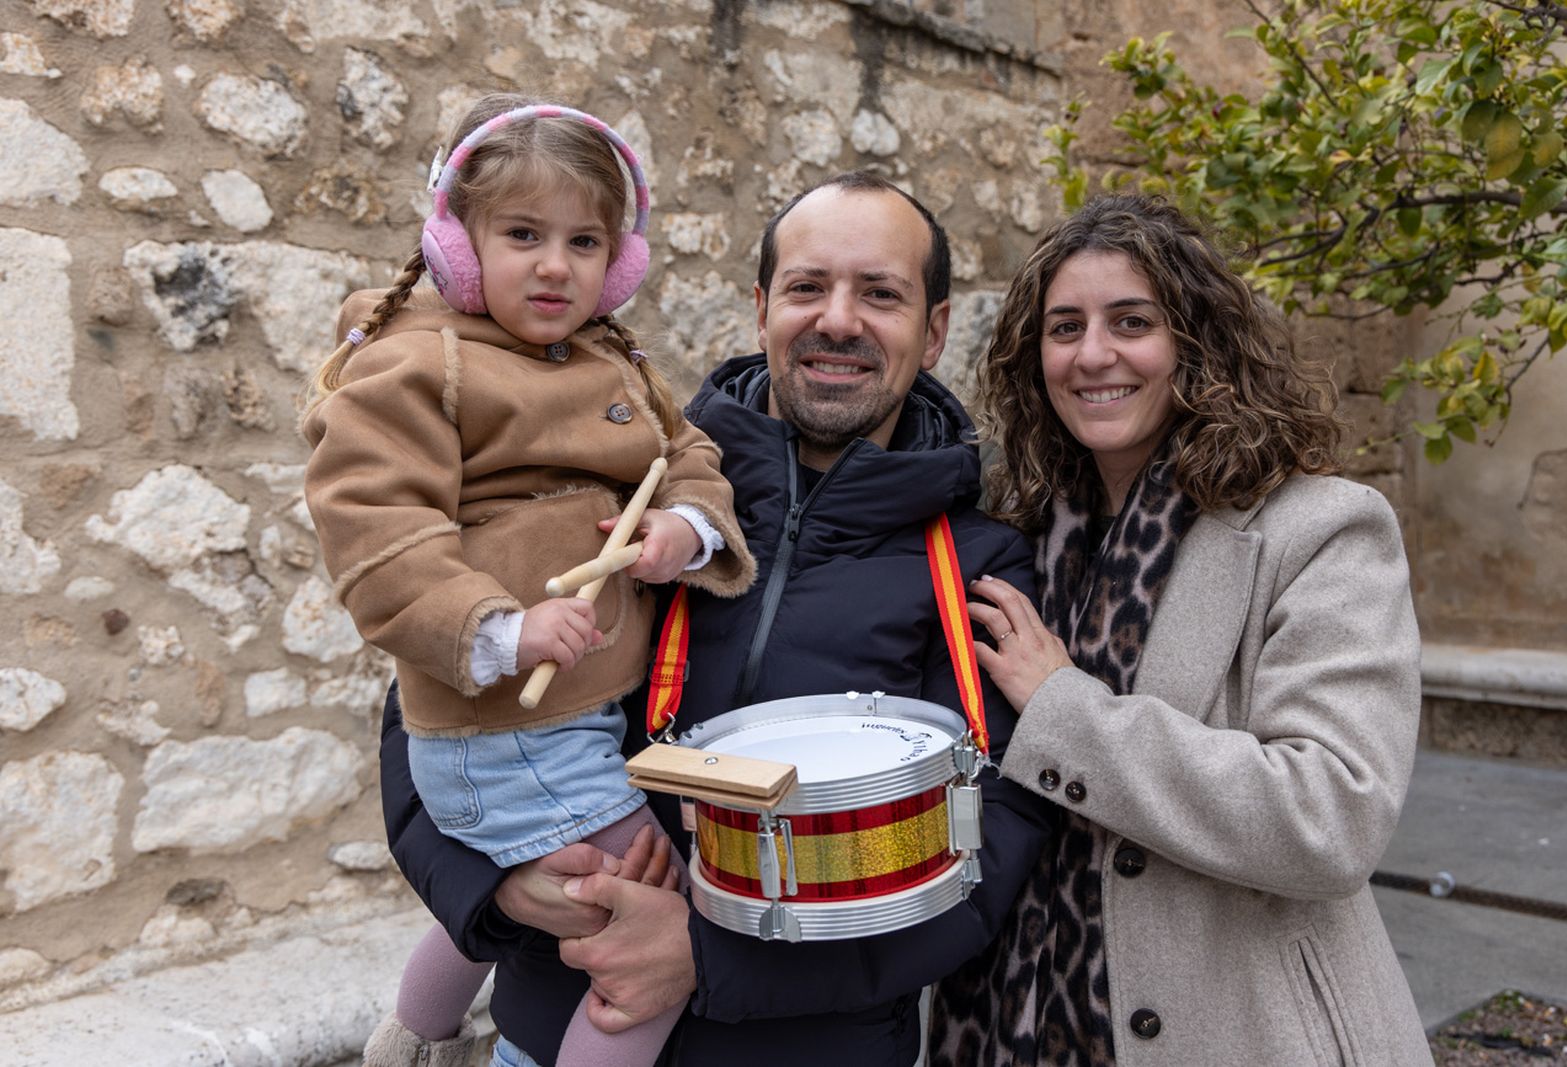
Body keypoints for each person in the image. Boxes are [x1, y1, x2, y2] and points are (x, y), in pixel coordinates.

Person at [376, 171, 1056, 1066]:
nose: (839, 320)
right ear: (762, 307)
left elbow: (983, 861)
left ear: (933, 331)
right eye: (808, 287)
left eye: (881, 293)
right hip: (547, 1036)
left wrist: (705, 958)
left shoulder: (977, 568)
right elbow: (436, 702)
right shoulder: (627, 492)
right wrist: (495, 883)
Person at [301, 94, 756, 1067]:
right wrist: (501, 628)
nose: (556, 264)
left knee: (545, 875)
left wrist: (684, 525)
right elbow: (377, 532)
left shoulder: (609, 357)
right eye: (521, 234)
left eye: (585, 240)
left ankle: (414, 1034)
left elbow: (689, 456)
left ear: (619, 261)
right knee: (648, 910)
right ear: (455, 245)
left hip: (571, 721)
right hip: (503, 725)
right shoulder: (417, 364)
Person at [927, 194, 1432, 1065]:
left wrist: (1065, 711)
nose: (1093, 355)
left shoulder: (1319, 530)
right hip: (1008, 1024)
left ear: (1196, 341)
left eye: (1132, 321)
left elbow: (1333, 815)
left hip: (1238, 1029)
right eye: (1064, 327)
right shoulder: (1016, 540)